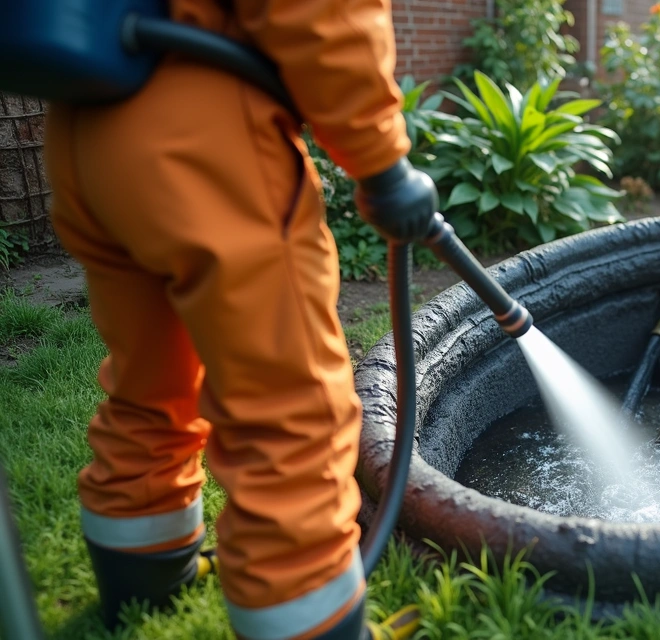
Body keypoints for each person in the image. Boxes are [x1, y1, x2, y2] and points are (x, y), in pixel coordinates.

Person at [43, 0, 416, 637]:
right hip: (203, 132)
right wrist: (380, 159)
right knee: (290, 413)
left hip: (83, 125)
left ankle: (145, 584)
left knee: (149, 383)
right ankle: (310, 620)